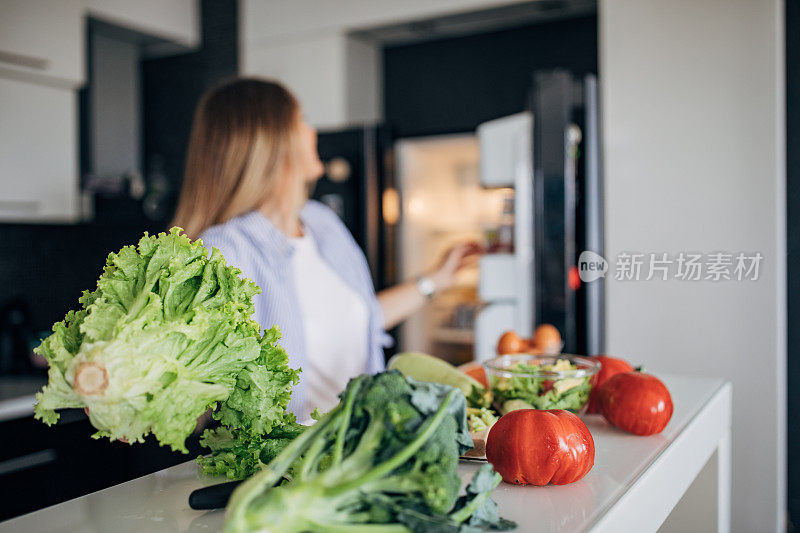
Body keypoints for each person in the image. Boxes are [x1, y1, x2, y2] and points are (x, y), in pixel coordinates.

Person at [171, 78, 479, 420]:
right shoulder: (224, 251)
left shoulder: (321, 223)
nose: (312, 131)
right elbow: (184, 365)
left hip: (360, 446)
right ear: (273, 142)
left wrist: (436, 280)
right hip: (289, 465)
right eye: (301, 121)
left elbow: (357, 320)